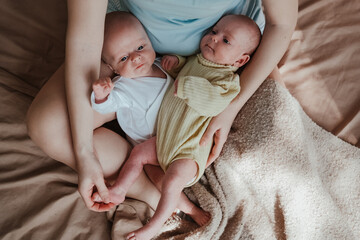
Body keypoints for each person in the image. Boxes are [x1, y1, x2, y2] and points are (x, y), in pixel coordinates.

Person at [26, 0, 297, 216]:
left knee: (277, 159)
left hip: (224, 55)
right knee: (48, 127)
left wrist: (231, 107)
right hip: (128, 48)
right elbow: (85, 41)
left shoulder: (232, 50)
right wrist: (84, 154)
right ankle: (147, 190)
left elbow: (282, 23)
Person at [93, 14, 261, 240]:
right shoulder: (195, 61)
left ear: (239, 61)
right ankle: (121, 189)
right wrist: (177, 64)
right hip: (162, 139)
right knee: (141, 158)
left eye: (225, 40)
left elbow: (214, 102)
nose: (213, 39)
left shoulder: (228, 82)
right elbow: (184, 70)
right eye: (213, 32)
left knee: (171, 181)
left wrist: (187, 85)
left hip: (189, 147)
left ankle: (155, 225)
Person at [91, 11, 211, 226]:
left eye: (140, 47)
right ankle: (188, 208)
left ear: (149, 40)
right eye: (124, 58)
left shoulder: (158, 65)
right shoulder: (123, 87)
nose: (136, 57)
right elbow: (108, 105)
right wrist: (101, 95)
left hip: (175, 136)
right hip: (150, 144)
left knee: (169, 176)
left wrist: (175, 62)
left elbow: (184, 74)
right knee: (158, 178)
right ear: (112, 67)